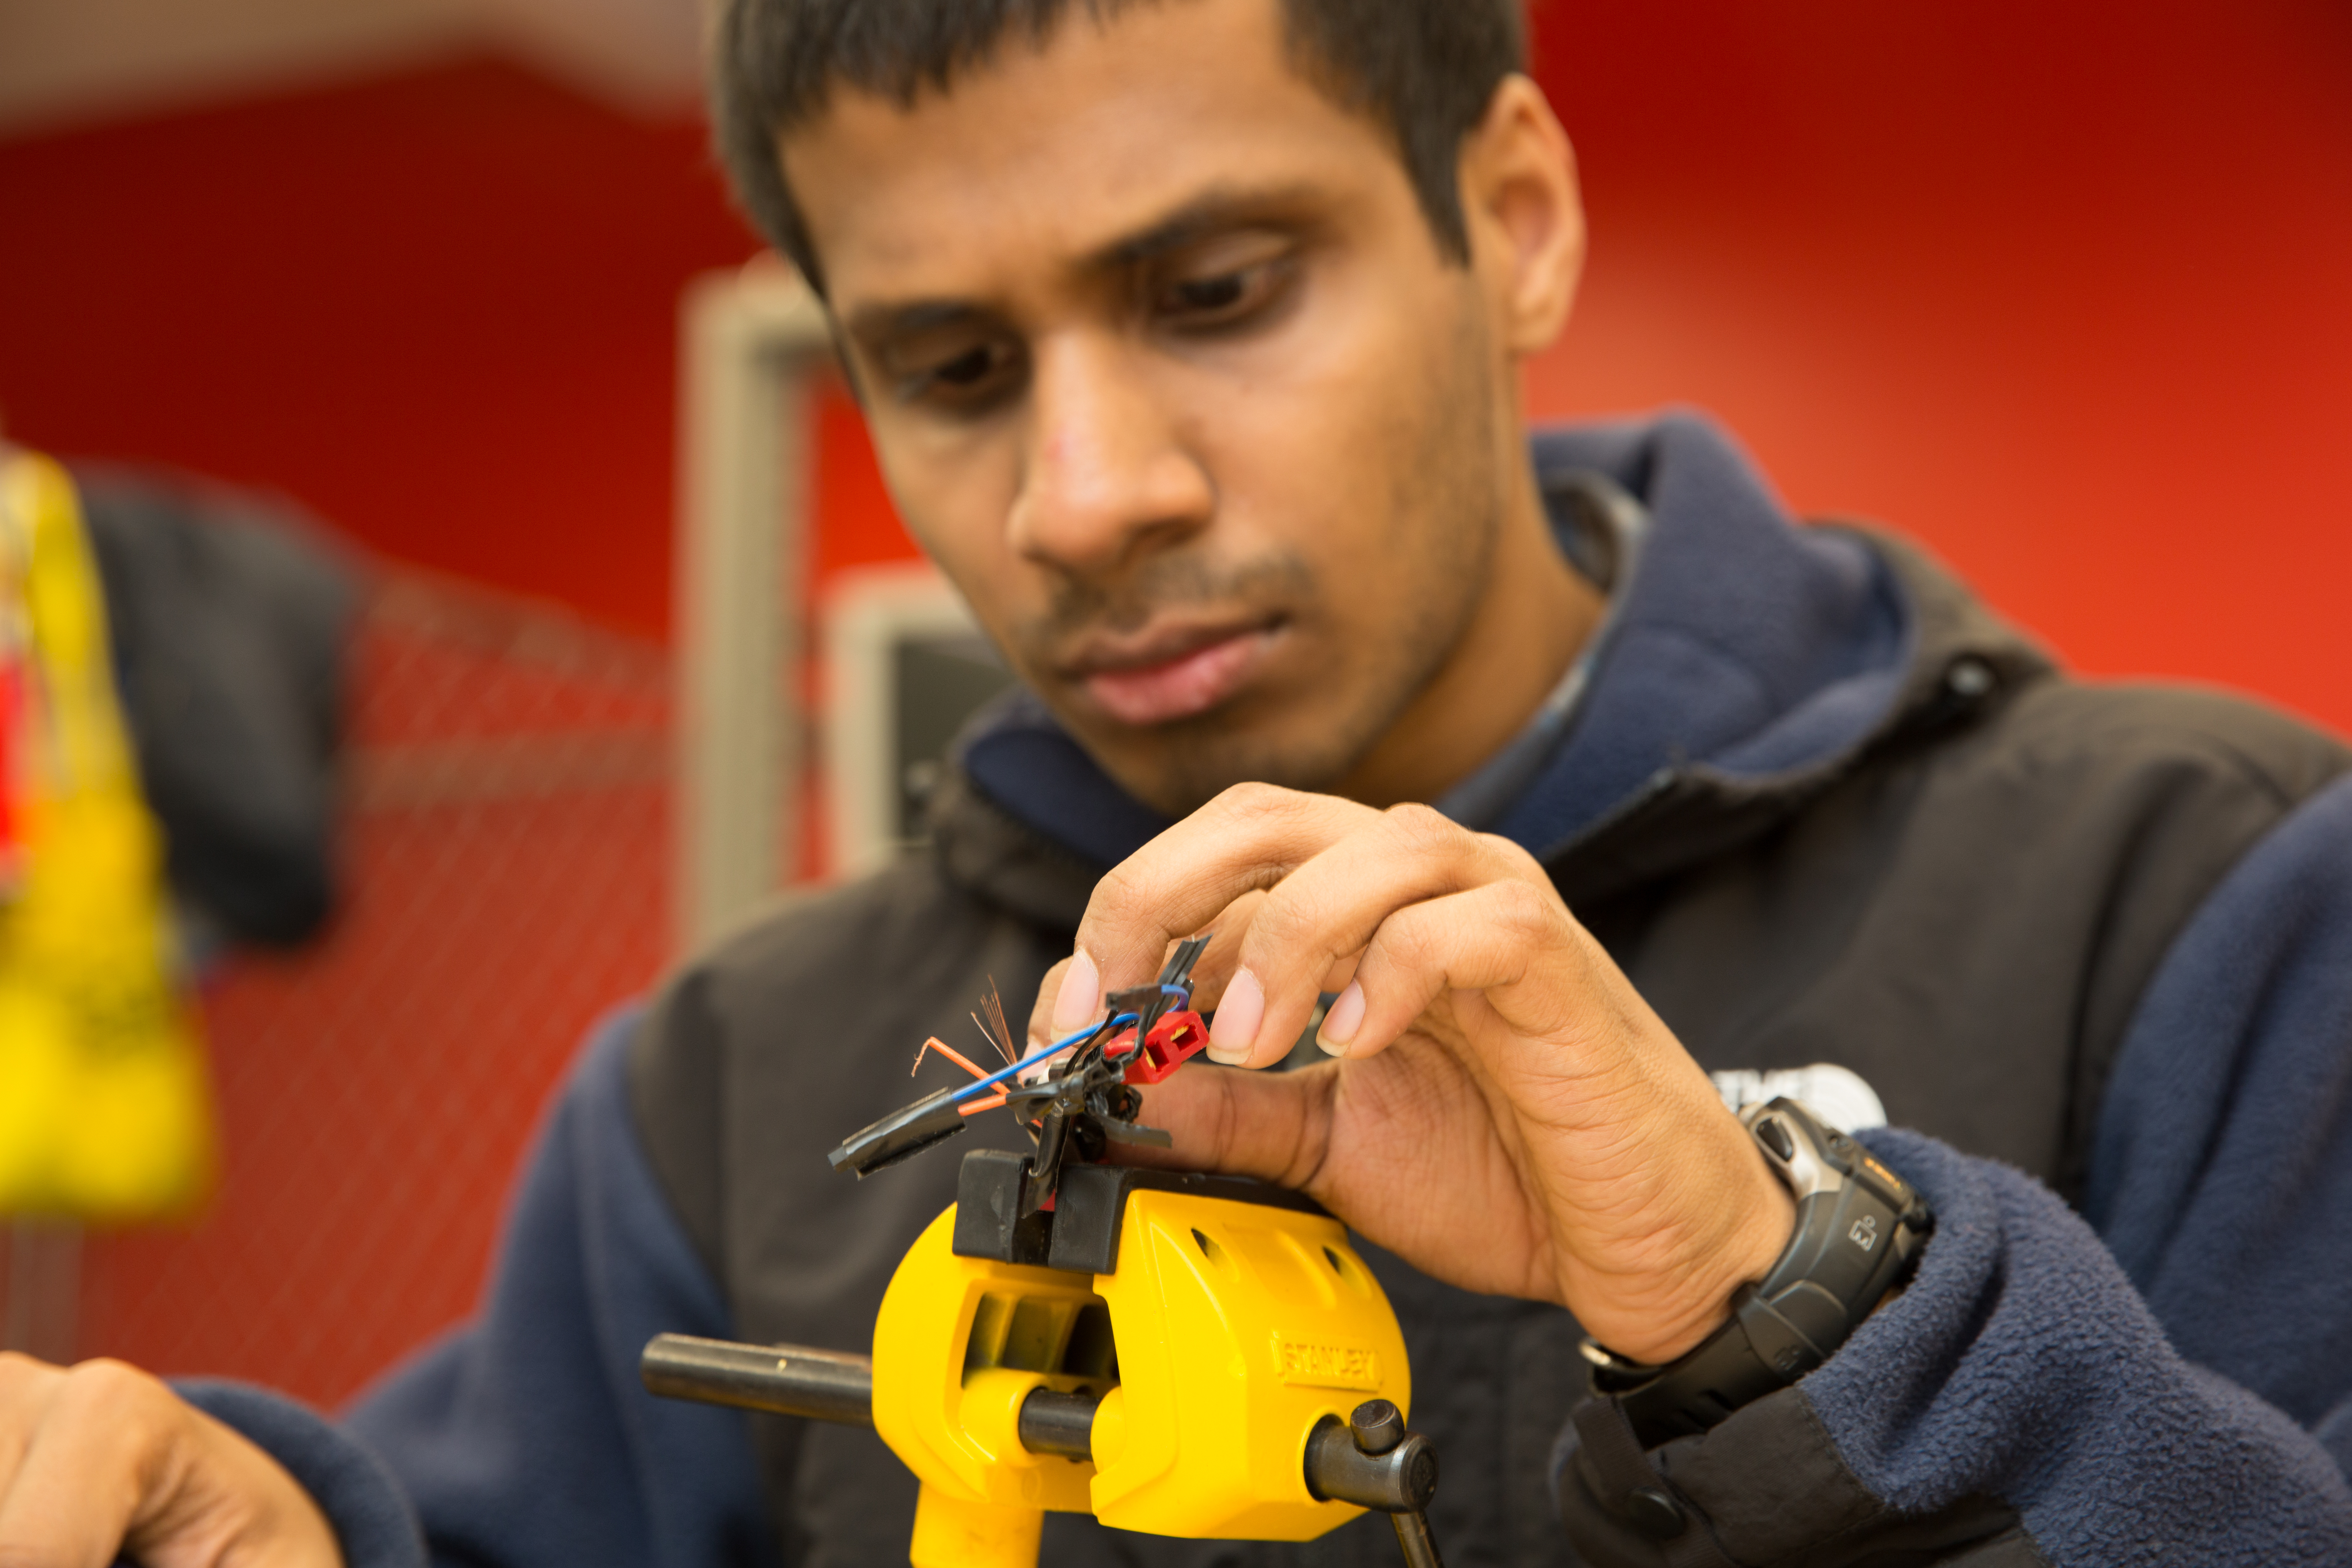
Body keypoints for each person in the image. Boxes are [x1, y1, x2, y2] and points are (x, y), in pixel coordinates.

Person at [5, 1, 2350, 1564]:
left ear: (1509, 218)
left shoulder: (2205, 899)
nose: (1089, 492)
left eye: (1219, 288)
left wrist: (1794, 1303)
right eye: (946, 363)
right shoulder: (726, 1089)